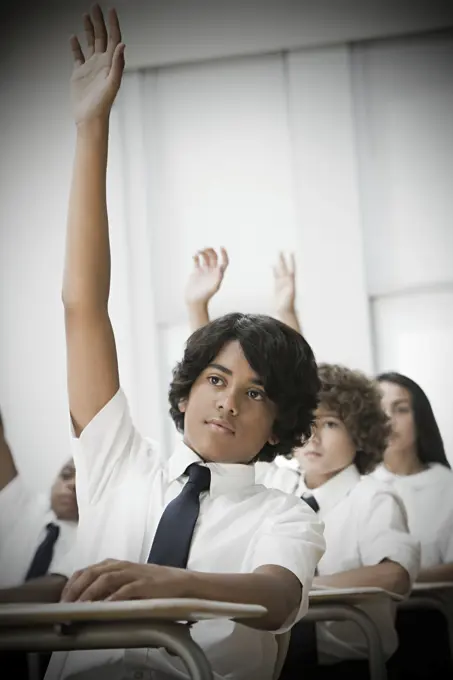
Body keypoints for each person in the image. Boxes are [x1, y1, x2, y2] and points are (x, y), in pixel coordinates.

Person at [0, 7, 326, 680]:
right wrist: (91, 126)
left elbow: (275, 596)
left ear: (278, 420)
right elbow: (81, 306)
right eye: (214, 379)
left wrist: (167, 582)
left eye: (254, 391)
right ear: (185, 392)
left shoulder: (283, 511)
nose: (228, 402)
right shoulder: (120, 464)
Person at [374, 373, 453, 679]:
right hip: (361, 621)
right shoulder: (361, 485)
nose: (389, 419)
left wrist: (396, 578)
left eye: (401, 408)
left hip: (429, 619)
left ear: (420, 416)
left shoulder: (445, 484)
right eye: (380, 409)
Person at [0, 409, 78, 587]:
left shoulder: (93, 536)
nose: (73, 485)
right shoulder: (23, 508)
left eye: (84, 483)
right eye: (66, 474)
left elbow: (56, 587)